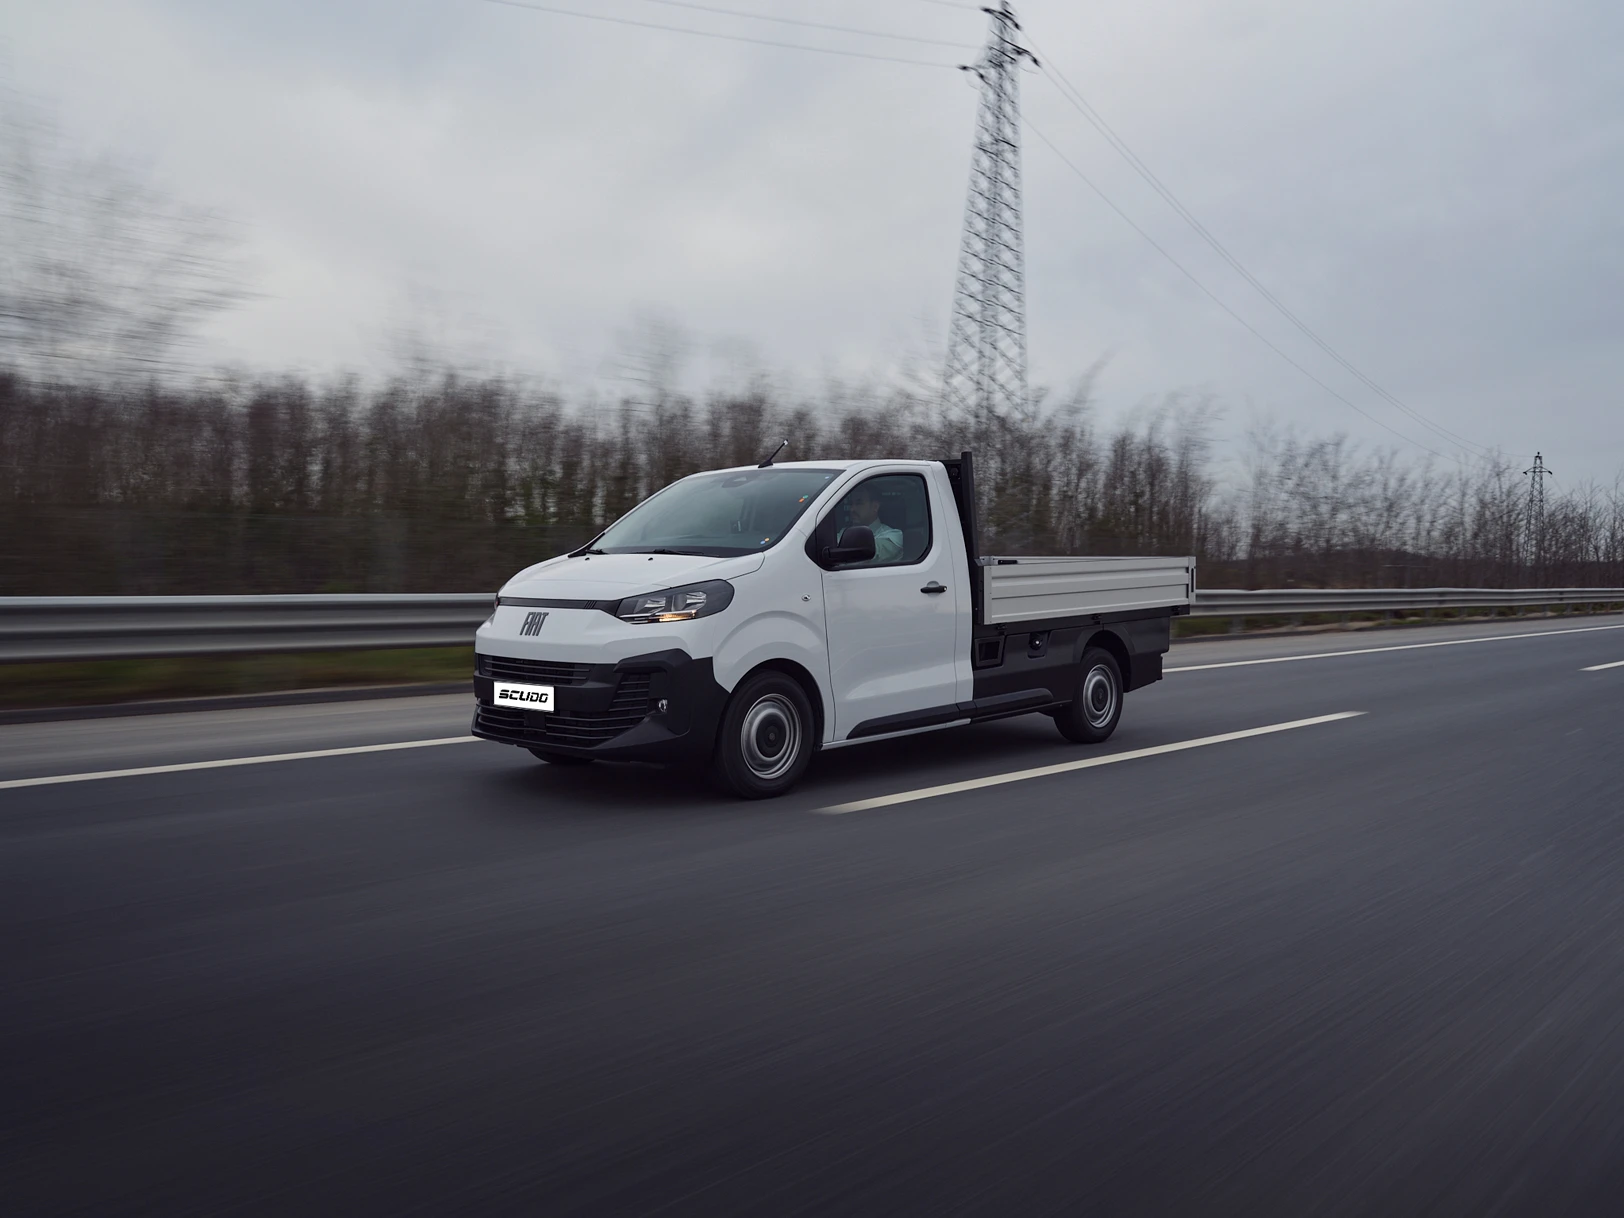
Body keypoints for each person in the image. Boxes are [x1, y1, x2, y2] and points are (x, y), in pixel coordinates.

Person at [839, 483, 904, 565]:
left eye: (859, 503)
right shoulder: (844, 532)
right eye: (851, 503)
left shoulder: (893, 536)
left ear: (875, 507)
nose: (852, 509)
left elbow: (864, 555)